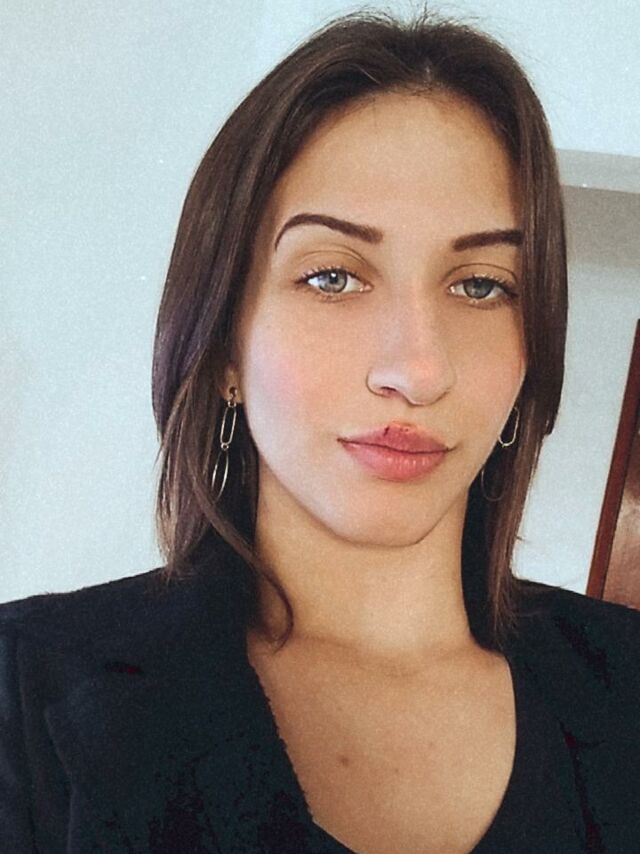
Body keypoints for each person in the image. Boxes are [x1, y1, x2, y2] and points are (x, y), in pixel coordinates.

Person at [1, 8, 639, 853]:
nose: (417, 369)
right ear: (223, 347)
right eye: (333, 276)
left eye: (481, 285)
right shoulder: (26, 691)